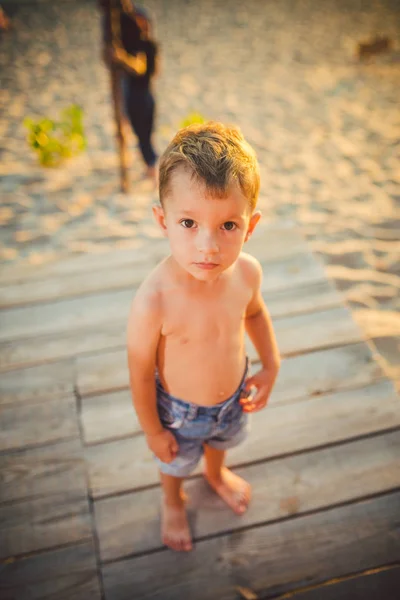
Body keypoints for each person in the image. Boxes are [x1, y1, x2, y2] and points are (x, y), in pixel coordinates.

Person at [127, 122, 281, 552]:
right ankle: (172, 499)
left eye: (228, 225)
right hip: (177, 410)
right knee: (174, 461)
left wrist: (270, 364)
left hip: (233, 395)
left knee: (221, 443)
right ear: (163, 220)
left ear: (250, 226)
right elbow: (140, 374)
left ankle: (214, 474)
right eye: (189, 223)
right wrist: (153, 430)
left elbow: (255, 313)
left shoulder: (247, 273)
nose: (208, 246)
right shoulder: (153, 299)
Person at [100, 0, 159, 179]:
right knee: (139, 136)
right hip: (132, 96)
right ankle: (149, 168)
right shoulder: (133, 45)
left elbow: (139, 67)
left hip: (142, 98)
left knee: (144, 138)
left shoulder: (148, 46)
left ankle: (153, 169)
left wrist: (121, 57)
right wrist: (113, 55)